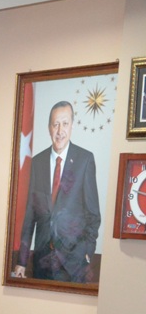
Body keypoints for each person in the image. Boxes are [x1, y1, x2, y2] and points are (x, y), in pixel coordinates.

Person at [15, 100, 101, 283]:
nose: (60, 130)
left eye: (65, 123)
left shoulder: (85, 160)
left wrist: (87, 252)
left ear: (72, 126)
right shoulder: (37, 163)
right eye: (55, 124)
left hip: (74, 264)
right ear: (49, 128)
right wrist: (22, 261)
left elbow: (93, 215)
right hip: (42, 262)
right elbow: (30, 215)